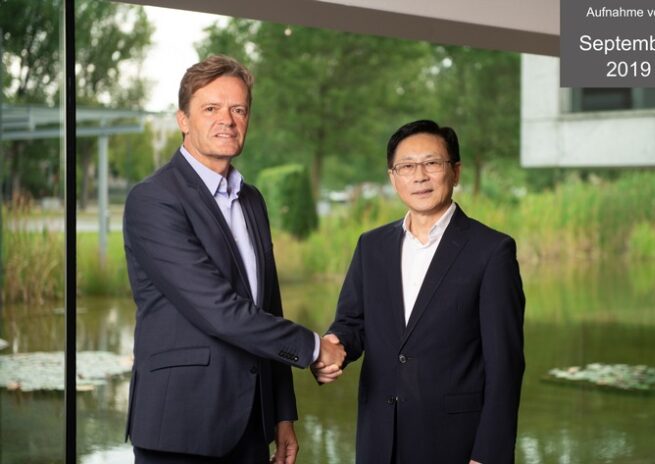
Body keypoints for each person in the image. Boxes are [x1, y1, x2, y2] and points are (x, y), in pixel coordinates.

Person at [123, 55, 345, 464]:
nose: (227, 120)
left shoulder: (252, 200)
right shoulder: (153, 199)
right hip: (180, 430)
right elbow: (218, 309)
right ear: (183, 120)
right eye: (211, 108)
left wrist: (281, 415)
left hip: (250, 427)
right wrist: (314, 348)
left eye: (238, 109)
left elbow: (268, 307)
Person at [313, 120, 525, 463]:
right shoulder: (371, 246)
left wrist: (489, 454)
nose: (419, 176)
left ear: (455, 171)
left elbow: (505, 365)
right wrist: (333, 347)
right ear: (392, 177)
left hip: (454, 442)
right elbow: (352, 323)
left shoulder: (491, 251)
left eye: (432, 163)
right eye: (407, 166)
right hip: (379, 438)